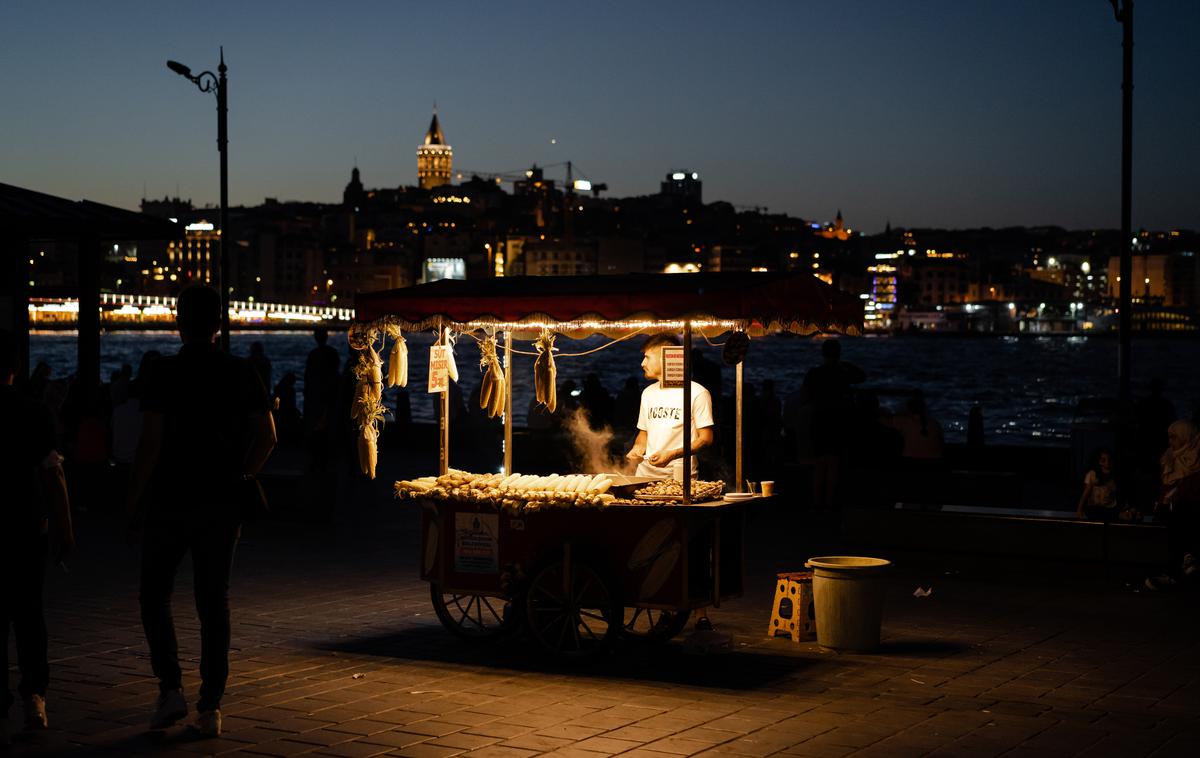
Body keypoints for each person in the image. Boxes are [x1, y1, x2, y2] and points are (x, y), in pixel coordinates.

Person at [126, 285, 276, 737]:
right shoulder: (241, 370)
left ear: (178, 321)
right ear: (219, 324)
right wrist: (244, 474)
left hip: (170, 497)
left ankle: (170, 688)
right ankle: (210, 707)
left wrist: (132, 500)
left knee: (154, 594)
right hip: (223, 501)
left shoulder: (161, 372)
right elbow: (268, 437)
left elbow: (150, 443)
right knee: (214, 602)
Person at [0, 329, 74, 741]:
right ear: (14, 368)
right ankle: (34, 696)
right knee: (29, 614)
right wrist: (65, 529)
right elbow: (54, 475)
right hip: (28, 525)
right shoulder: (34, 413)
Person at [625, 334, 715, 481]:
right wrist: (638, 448)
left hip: (680, 477)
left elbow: (706, 439)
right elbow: (644, 434)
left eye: (647, 357)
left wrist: (672, 454)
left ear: (664, 357)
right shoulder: (648, 393)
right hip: (644, 476)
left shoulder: (697, 392)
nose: (642, 363)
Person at [802, 338, 865, 511]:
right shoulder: (842, 373)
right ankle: (829, 501)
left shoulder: (814, 373)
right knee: (833, 464)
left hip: (819, 420)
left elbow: (804, 396)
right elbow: (862, 376)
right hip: (838, 420)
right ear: (838, 354)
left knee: (819, 463)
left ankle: (816, 501)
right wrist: (845, 364)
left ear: (822, 354)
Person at [1145, 420, 1200, 591]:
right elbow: (1165, 486)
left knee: (1181, 516)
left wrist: (1176, 496)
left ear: (1185, 438)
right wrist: (1163, 500)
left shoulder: (1197, 456)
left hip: (1192, 506)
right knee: (1176, 517)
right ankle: (1185, 560)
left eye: (1174, 438)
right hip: (1173, 508)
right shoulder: (1169, 457)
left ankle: (1174, 573)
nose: (1170, 442)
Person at [1076, 448, 1118, 520]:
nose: (1107, 463)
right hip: (1094, 508)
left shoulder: (1115, 476)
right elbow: (1085, 493)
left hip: (1109, 510)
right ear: (1098, 461)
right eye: (1103, 460)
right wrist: (1079, 509)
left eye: (1109, 460)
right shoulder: (1092, 474)